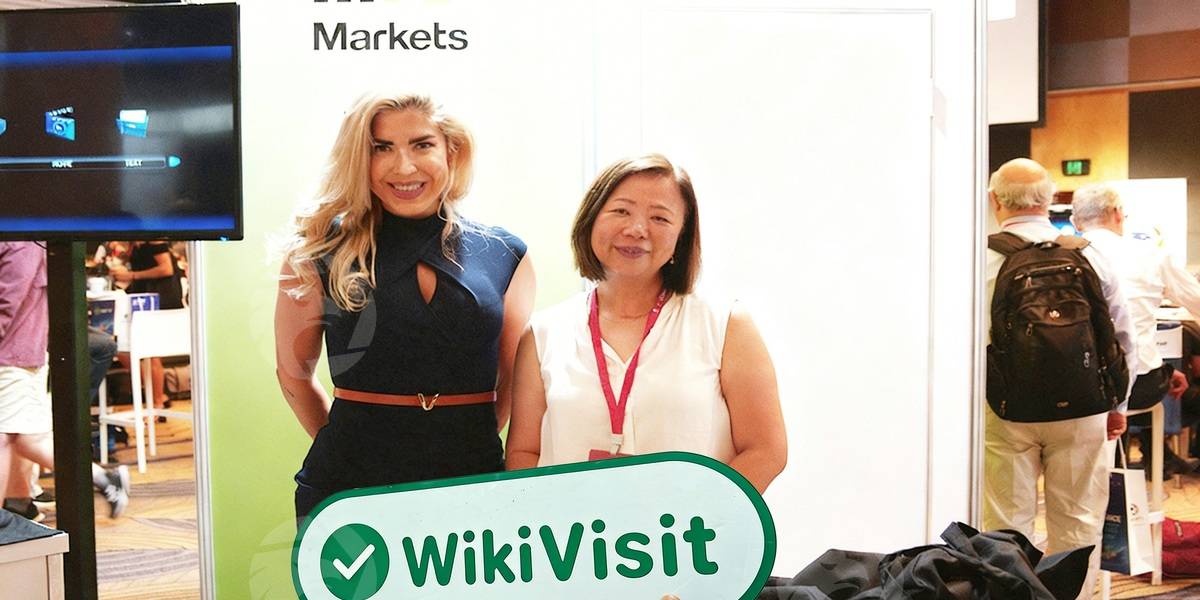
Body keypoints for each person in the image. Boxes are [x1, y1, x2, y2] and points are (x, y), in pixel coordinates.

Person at [276, 93, 535, 520]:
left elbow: (513, 380)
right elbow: (293, 375)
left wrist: (471, 438)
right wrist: (344, 444)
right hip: (347, 483)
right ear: (360, 159)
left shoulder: (506, 253)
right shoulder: (317, 250)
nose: (404, 167)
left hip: (472, 475)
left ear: (451, 150)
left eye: (422, 144)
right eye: (382, 148)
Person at [504, 154, 787, 494]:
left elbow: (766, 450)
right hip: (573, 527)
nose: (636, 229)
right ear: (591, 219)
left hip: (688, 526)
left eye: (659, 217)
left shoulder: (725, 324)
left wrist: (698, 517)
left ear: (681, 237)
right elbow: (524, 452)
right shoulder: (543, 334)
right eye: (621, 211)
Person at [982, 159, 1138, 600]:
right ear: (1051, 200)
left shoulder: (982, 259)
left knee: (1006, 526)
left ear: (995, 201)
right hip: (1084, 409)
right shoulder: (1088, 254)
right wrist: (1118, 405)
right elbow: (1122, 335)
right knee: (1078, 524)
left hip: (1006, 411)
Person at [1072, 183, 1200, 475]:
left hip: (1077, 384)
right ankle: (1139, 469)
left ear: (1075, 222)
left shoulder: (1063, 256)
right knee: (1141, 378)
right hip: (1141, 384)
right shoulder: (1152, 254)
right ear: (1118, 214)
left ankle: (1112, 471)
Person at [0, 242, 130, 520]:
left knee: (13, 438)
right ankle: (20, 508)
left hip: (12, 354)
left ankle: (101, 478)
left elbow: (7, 304)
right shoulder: (27, 239)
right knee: (22, 437)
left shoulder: (20, 241)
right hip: (22, 352)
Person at [111, 240, 185, 414]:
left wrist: (132, 275)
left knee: (151, 353)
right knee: (125, 350)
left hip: (158, 298)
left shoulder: (153, 239)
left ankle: (157, 402)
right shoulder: (135, 243)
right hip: (143, 297)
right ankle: (157, 396)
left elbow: (166, 268)